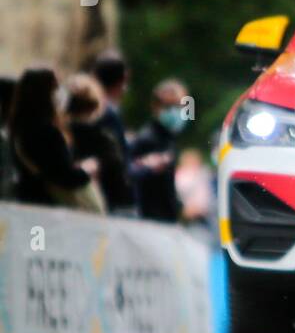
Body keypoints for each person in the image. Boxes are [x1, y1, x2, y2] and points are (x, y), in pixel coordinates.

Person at [8, 67, 100, 209]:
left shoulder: (19, 127)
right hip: (47, 206)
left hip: (27, 200)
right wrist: (86, 170)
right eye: (56, 87)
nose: (60, 92)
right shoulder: (46, 132)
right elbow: (64, 176)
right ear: (44, 93)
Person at [65, 74, 133, 213]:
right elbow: (119, 176)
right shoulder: (104, 139)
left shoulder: (59, 134)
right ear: (96, 105)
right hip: (103, 208)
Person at [130, 78, 190, 222]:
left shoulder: (168, 138)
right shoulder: (148, 139)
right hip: (151, 221)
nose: (176, 112)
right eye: (170, 106)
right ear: (156, 106)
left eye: (180, 106)